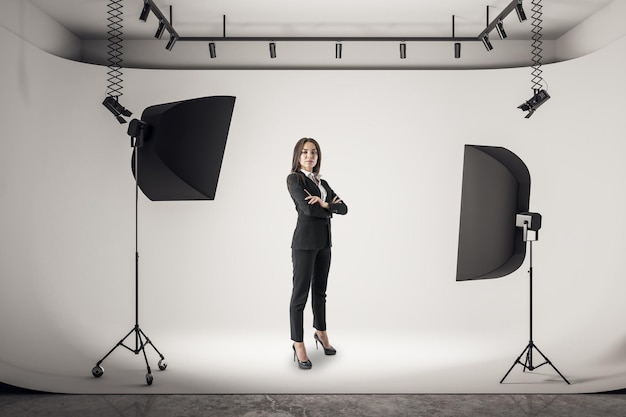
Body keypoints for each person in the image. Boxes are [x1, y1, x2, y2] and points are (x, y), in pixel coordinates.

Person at [286, 137, 348, 370]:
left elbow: (344, 208)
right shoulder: (294, 179)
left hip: (324, 243)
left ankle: (320, 332)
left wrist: (324, 205)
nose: (310, 156)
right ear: (298, 156)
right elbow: (306, 209)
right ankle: (298, 343)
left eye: (313, 152)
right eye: (304, 153)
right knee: (300, 295)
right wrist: (327, 207)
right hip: (304, 244)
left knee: (320, 292)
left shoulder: (323, 183)